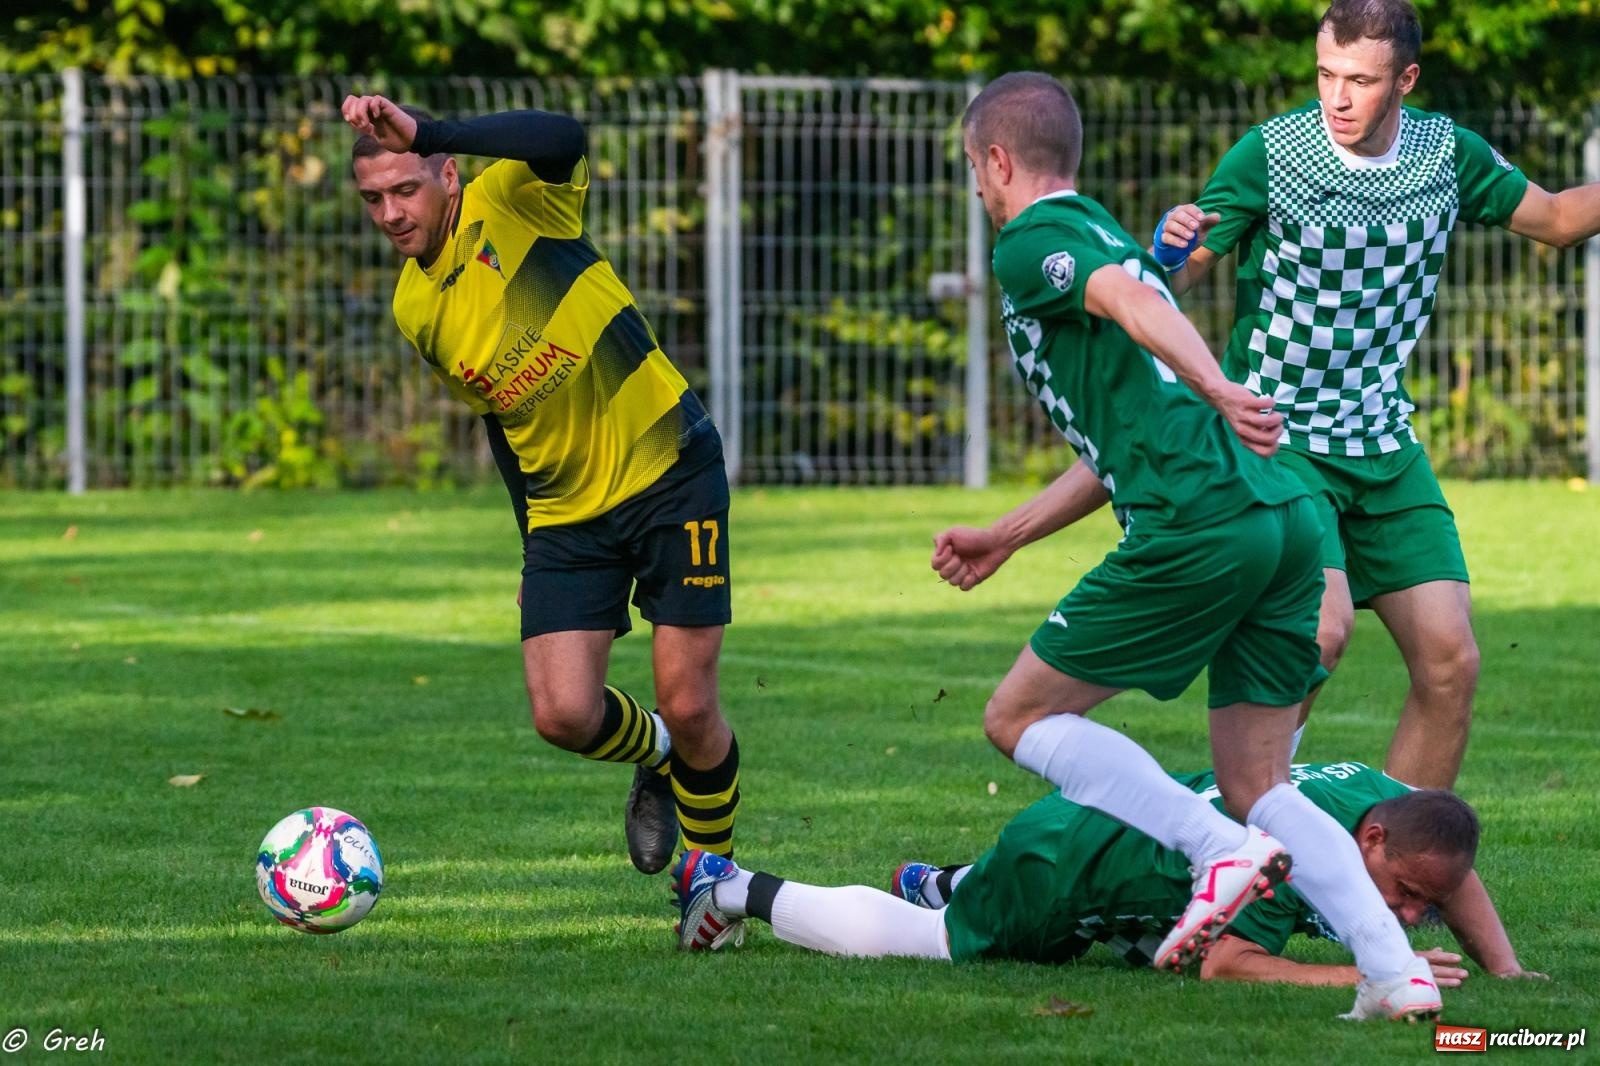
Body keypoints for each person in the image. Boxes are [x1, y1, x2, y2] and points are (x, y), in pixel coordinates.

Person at [907, 70, 1440, 1021]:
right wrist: (1007, 534)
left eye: (974, 173)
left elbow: (1122, 300)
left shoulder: (1036, 239)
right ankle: (1392, 974)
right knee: (1260, 781)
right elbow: (1121, 429)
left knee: (1017, 720)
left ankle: (1213, 849)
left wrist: (1218, 385)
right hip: (1282, 515)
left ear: (996, 161)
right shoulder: (1101, 225)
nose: (979, 193)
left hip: (1201, 521)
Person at [1152, 0, 1600, 789]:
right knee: (1319, 633)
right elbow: (1178, 277)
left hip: (1383, 444)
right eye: (1326, 75)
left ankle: (1389, 879)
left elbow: (1561, 219)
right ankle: (1236, 842)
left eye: (1361, 80)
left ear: (1407, 79)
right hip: (1280, 437)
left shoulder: (1445, 153)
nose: (1338, 97)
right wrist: (1168, 249)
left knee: (1451, 662)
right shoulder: (1271, 154)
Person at [342, 95, 743, 875]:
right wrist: (533, 546)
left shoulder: (513, 200)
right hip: (565, 510)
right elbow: (498, 416)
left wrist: (429, 128)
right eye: (372, 200)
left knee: (692, 702)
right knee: (563, 714)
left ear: (448, 177)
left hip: (668, 465)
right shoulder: (413, 305)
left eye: (405, 189)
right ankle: (660, 757)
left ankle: (715, 888)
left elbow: (565, 135)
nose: (390, 213)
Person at [670, 761, 1540, 990]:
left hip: (1104, 822)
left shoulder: (1379, 807)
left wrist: (1503, 967)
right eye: (1404, 892)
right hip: (1071, 865)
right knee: (938, 950)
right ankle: (731, 884)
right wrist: (1375, 973)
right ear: (1373, 838)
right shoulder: (1296, 868)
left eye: (1424, 902)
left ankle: (945, 878)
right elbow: (1226, 966)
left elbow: (1446, 863)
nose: (1413, 913)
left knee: (1124, 937)